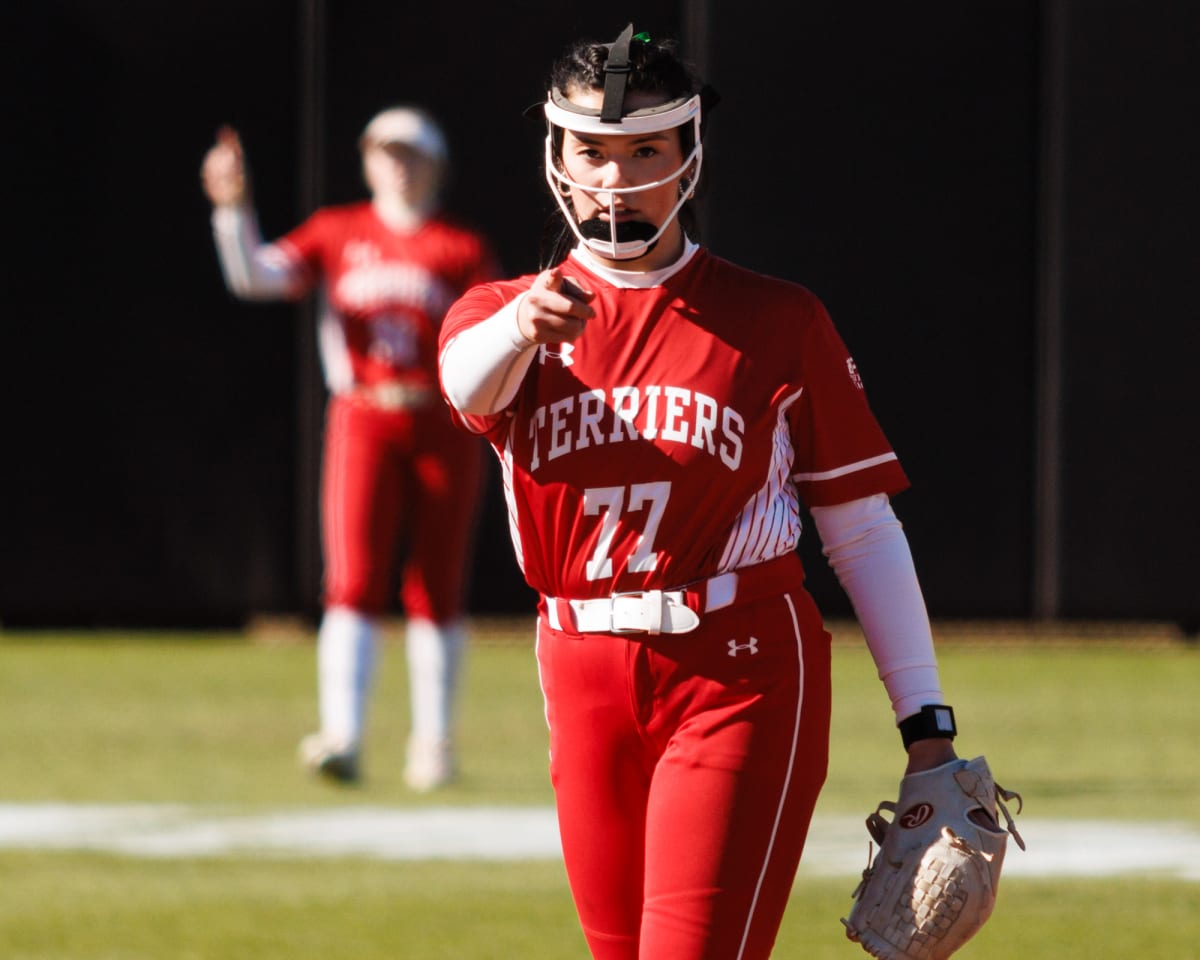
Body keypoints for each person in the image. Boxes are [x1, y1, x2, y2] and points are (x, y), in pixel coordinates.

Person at [437, 25, 965, 960]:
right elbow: (466, 386)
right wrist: (524, 324)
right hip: (580, 665)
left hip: (739, 663)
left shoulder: (775, 316)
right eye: (591, 150)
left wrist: (928, 728)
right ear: (555, 155)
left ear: (688, 154)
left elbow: (862, 530)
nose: (614, 177)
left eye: (644, 148)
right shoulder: (500, 313)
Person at [201, 106, 500, 791]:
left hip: (443, 419)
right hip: (364, 413)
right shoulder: (339, 231)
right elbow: (256, 276)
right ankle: (345, 735)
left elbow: (488, 337)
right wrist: (232, 210)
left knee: (438, 585)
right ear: (366, 160)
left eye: (410, 153)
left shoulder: (459, 245)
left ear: (436, 165)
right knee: (353, 581)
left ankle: (435, 743)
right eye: (384, 151)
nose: (396, 164)